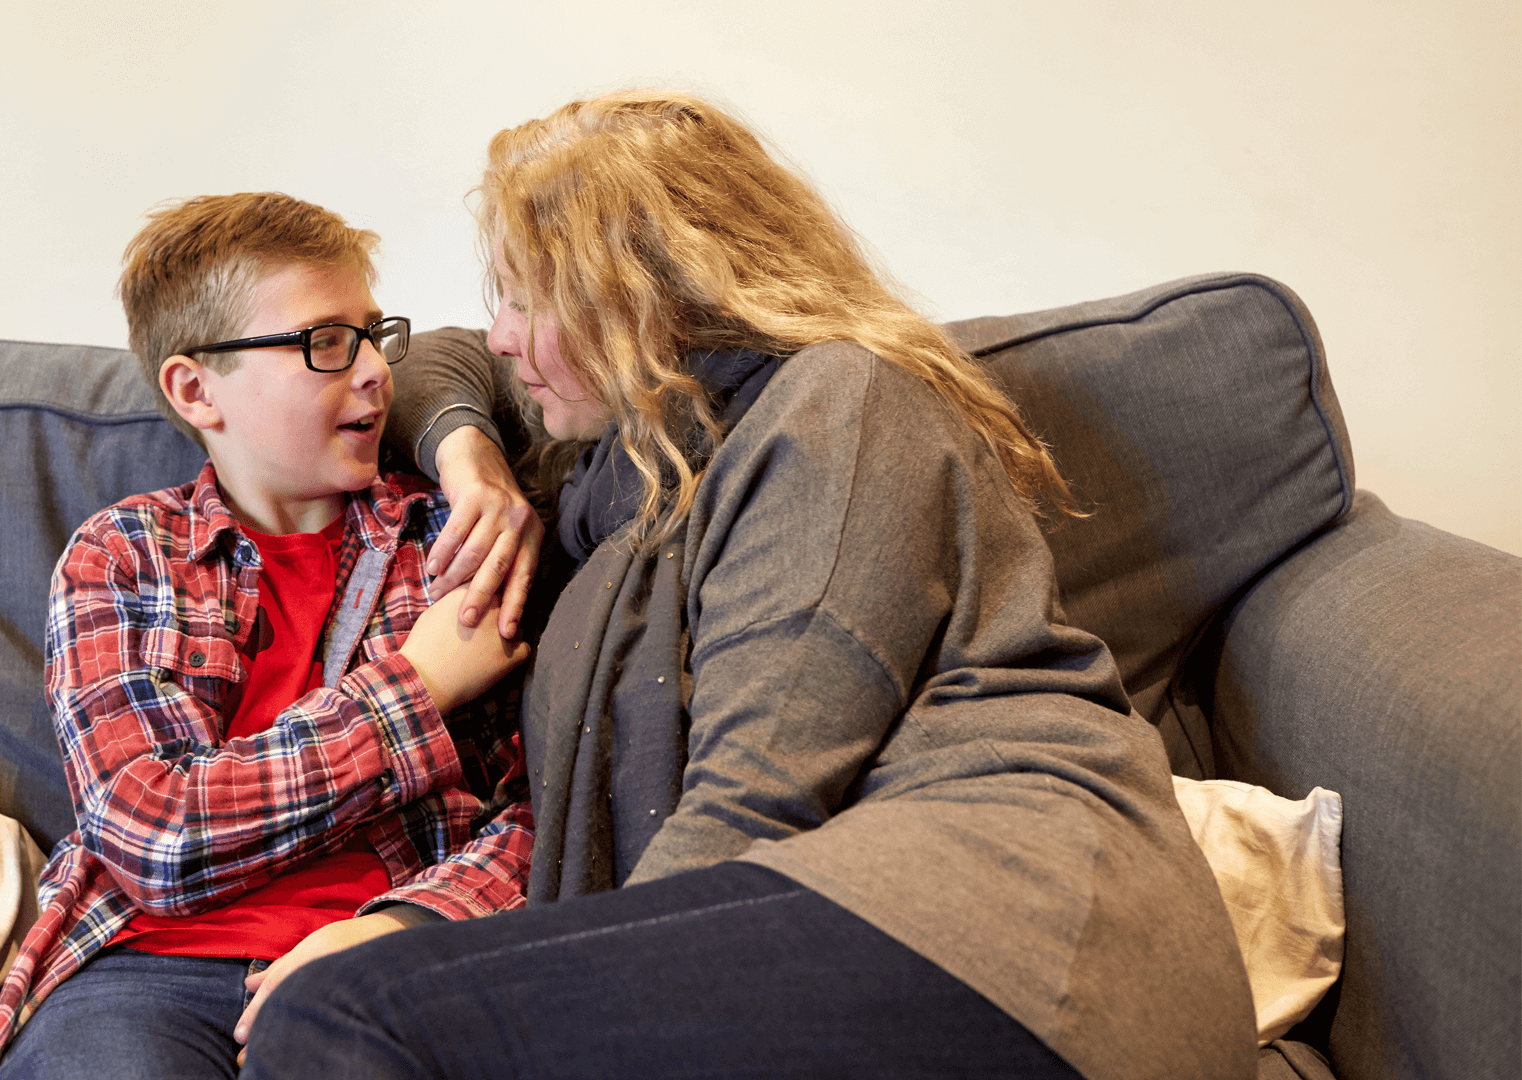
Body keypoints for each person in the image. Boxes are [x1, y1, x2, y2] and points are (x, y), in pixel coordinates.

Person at [237, 92, 1256, 1079]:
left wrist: (523, 993)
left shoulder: (836, 409)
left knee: (345, 1013)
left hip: (1014, 933)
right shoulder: (627, 458)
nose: (502, 333)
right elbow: (443, 366)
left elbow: (756, 798)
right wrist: (473, 464)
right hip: (877, 930)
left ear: (643, 294)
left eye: (528, 296)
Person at [0, 193, 535, 1080]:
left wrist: (406, 924)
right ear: (196, 390)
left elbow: (549, 810)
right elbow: (154, 833)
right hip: (148, 967)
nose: (376, 371)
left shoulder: (448, 541)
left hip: (384, 946)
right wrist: (414, 691)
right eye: (324, 344)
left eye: (375, 335)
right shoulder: (124, 555)